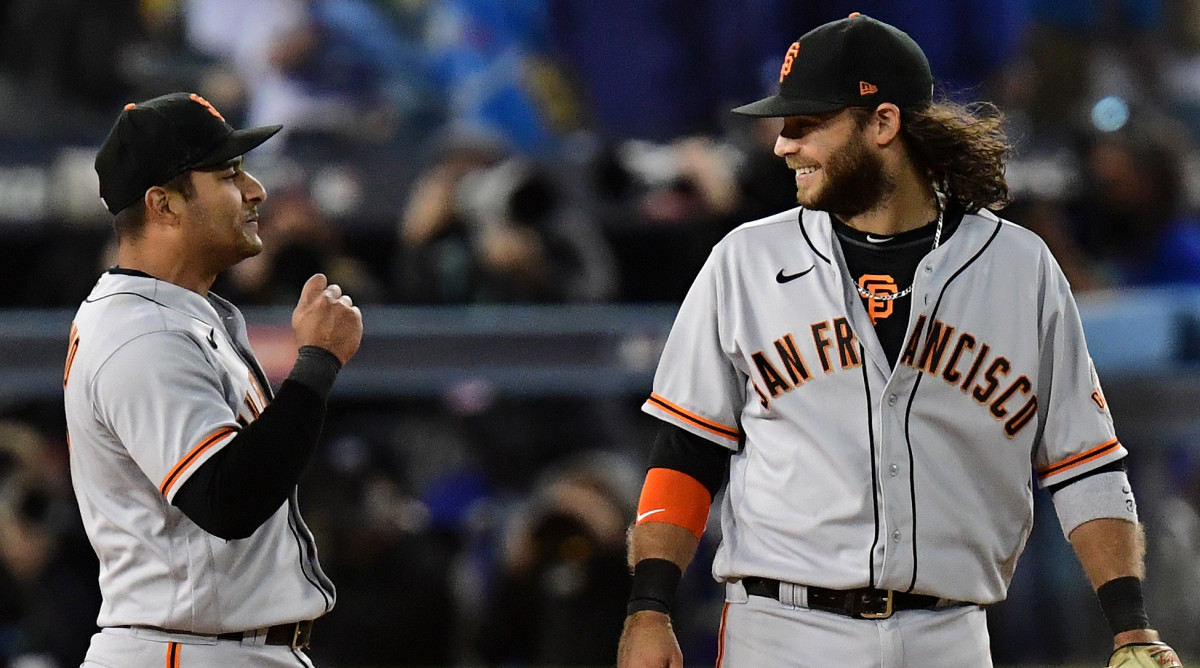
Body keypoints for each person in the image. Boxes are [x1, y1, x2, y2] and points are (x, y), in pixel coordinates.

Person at [616, 14, 1182, 668]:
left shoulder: (1018, 268)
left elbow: (1084, 462)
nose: (782, 146)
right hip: (780, 631)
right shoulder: (745, 261)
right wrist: (649, 608)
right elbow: (686, 448)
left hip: (949, 636)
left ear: (882, 124)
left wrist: (1130, 626)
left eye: (806, 124)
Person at [63, 92, 363, 666]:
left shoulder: (174, 314)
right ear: (164, 205)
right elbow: (226, 501)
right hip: (189, 649)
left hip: (212, 645)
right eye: (228, 175)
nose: (256, 191)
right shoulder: (141, 335)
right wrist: (317, 362)